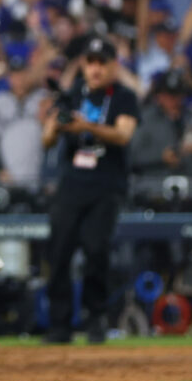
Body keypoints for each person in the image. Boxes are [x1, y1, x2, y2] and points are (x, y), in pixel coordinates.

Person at [41, 35, 139, 344]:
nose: (95, 70)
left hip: (106, 185)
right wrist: (57, 123)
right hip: (71, 185)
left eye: (101, 63)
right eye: (90, 63)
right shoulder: (71, 94)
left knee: (96, 250)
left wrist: (87, 127)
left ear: (113, 66)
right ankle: (60, 325)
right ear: (83, 65)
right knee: (59, 253)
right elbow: (46, 140)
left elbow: (123, 135)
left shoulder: (123, 96)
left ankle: (95, 319)